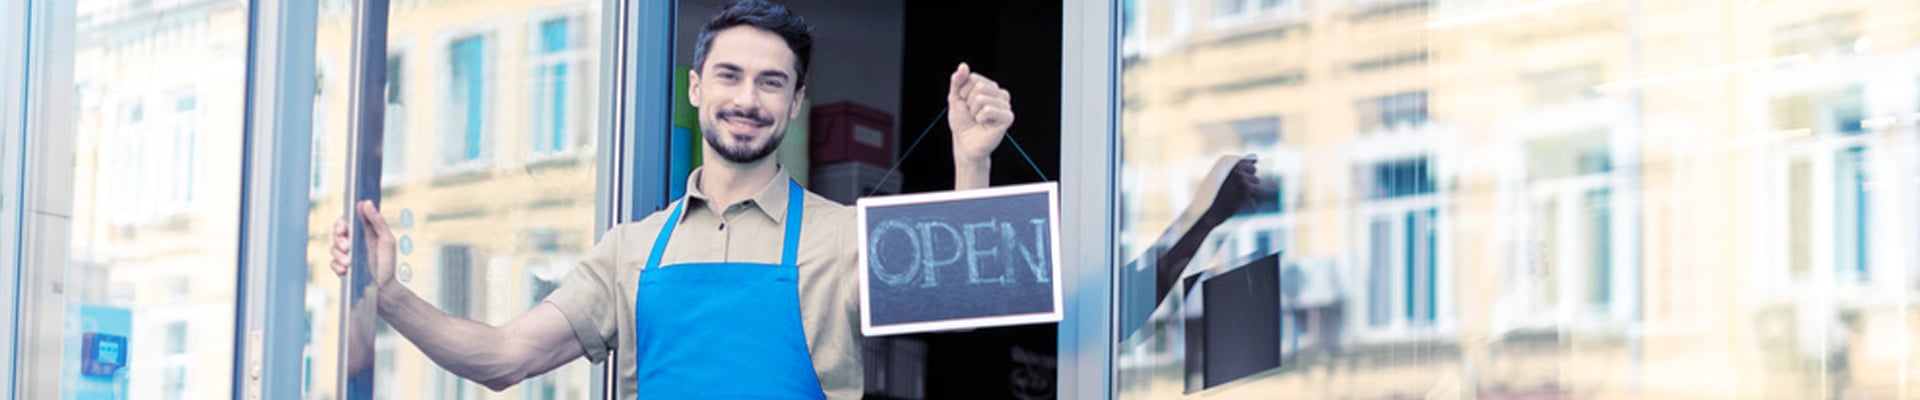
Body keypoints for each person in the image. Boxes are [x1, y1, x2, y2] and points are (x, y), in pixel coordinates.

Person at [326, 1, 1016, 399]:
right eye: (730, 75)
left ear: (797, 101)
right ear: (695, 88)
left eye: (772, 82)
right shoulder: (629, 251)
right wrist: (392, 298)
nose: (748, 99)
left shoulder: (842, 237)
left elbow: (957, 298)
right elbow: (504, 359)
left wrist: (971, 159)